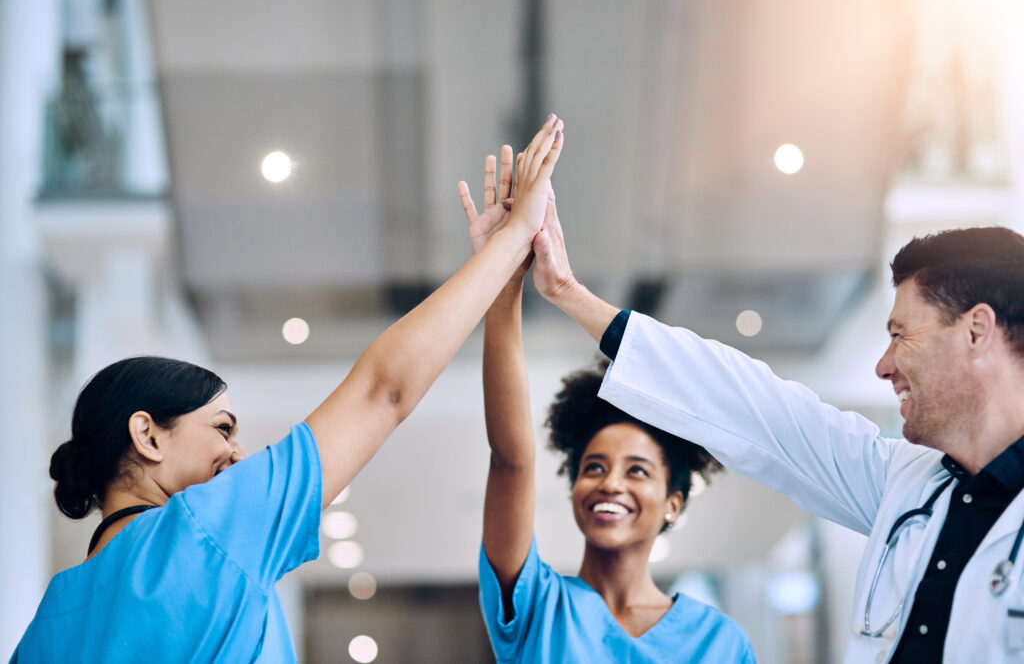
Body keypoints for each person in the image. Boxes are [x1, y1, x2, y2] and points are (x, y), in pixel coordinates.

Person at [9, 116, 564, 663]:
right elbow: (382, 391)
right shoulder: (207, 528)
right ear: (147, 435)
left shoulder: (46, 627)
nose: (237, 453)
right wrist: (513, 239)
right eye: (221, 428)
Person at [528, 206, 1024, 663]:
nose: (883, 365)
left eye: (900, 334)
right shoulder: (905, 484)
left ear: (976, 331)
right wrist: (567, 291)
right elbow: (748, 405)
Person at [459, 150, 756, 663]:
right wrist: (503, 278)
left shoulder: (720, 644)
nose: (610, 483)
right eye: (594, 467)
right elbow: (511, 457)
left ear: (674, 503)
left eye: (637, 470)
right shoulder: (537, 608)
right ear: (575, 488)